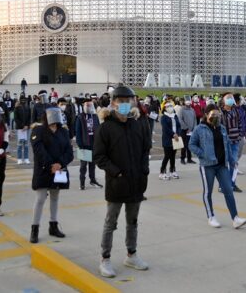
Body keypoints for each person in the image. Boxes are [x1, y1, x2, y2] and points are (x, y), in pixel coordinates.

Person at [93, 85, 150, 278]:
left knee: (132, 222)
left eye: (128, 101)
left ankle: (131, 254)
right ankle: (105, 258)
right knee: (111, 222)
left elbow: (145, 149)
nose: (125, 104)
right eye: (121, 101)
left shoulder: (138, 124)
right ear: (113, 103)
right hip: (117, 184)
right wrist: (115, 173)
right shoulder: (106, 127)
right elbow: (99, 157)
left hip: (136, 183)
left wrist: (144, 171)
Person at [189, 104, 246, 229]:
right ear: (206, 115)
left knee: (228, 190)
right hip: (208, 166)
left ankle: (235, 218)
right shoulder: (200, 129)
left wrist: (232, 161)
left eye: (218, 114)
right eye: (213, 114)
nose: (216, 116)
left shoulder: (222, 128)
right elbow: (192, 144)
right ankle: (211, 217)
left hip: (222, 165)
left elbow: (226, 145)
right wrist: (202, 154)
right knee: (208, 192)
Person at [29, 107, 74, 243]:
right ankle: (34, 228)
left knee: (55, 197)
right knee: (40, 198)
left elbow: (69, 152)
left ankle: (53, 225)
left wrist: (59, 164)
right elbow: (38, 150)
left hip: (59, 169)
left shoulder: (64, 132)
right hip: (43, 170)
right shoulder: (38, 130)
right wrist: (50, 165)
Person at [75, 100, 102, 190]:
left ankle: (93, 180)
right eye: (87, 106)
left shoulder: (95, 116)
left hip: (93, 144)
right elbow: (78, 132)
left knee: (92, 164)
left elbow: (98, 129)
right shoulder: (80, 117)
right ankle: (82, 182)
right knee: (83, 166)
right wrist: (80, 145)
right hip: (84, 144)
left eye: (90, 106)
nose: (88, 107)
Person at [220, 93, 242, 192]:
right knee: (225, 164)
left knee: (234, 163)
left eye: (231, 98)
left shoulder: (235, 111)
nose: (230, 100)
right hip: (226, 142)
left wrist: (240, 134)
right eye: (228, 99)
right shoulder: (221, 113)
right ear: (224, 101)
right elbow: (220, 127)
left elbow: (240, 123)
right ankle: (223, 185)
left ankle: (232, 184)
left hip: (236, 140)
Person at [159, 101, 181, 180]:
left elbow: (179, 126)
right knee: (167, 156)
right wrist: (173, 134)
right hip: (167, 139)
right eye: (167, 106)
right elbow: (165, 128)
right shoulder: (164, 117)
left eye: (171, 106)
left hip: (176, 139)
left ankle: (172, 171)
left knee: (173, 156)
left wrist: (178, 133)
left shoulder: (175, 116)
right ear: (164, 108)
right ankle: (162, 172)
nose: (170, 107)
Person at [177, 98, 197, 165]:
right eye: (187, 102)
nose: (188, 103)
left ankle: (189, 158)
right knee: (184, 145)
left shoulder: (192, 110)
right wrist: (186, 128)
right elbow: (180, 119)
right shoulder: (182, 109)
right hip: (184, 130)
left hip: (191, 131)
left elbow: (195, 119)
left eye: (189, 102)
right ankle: (182, 158)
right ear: (185, 102)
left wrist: (194, 128)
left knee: (189, 145)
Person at [14, 96, 31, 165]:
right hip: (20, 129)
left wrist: (27, 125)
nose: (23, 101)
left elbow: (30, 117)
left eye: (24, 100)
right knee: (20, 144)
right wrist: (22, 126)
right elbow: (16, 118)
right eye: (22, 100)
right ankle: (19, 159)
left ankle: (26, 158)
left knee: (26, 144)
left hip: (27, 128)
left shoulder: (28, 108)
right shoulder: (17, 108)